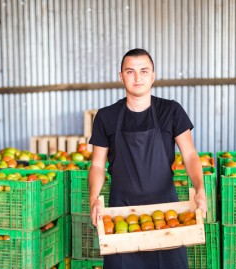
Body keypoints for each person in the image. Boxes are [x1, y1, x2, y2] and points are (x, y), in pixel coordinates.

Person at [87, 48, 208, 268]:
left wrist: (200, 189)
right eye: (130, 71)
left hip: (167, 216)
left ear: (153, 75)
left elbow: (190, 155)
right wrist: (94, 197)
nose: (138, 77)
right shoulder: (106, 116)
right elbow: (97, 165)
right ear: (121, 76)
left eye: (144, 71)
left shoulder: (171, 111)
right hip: (121, 216)